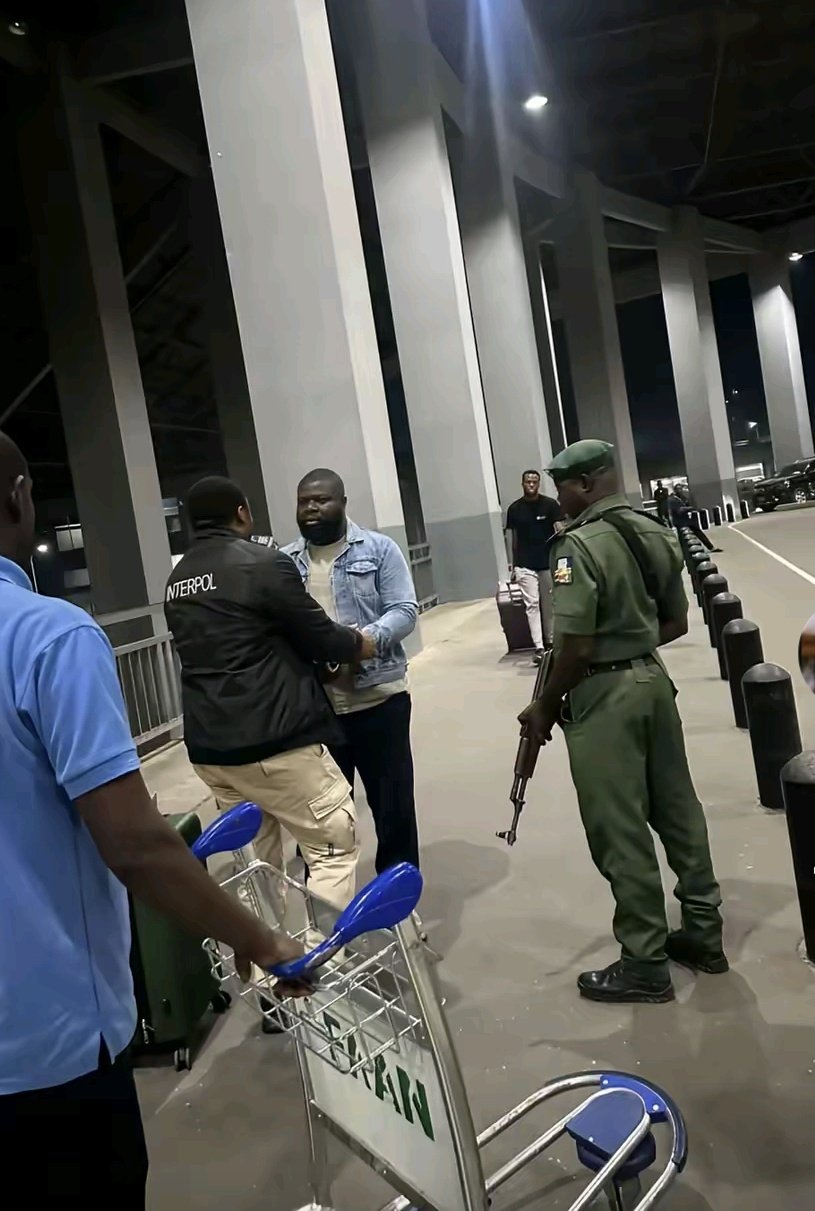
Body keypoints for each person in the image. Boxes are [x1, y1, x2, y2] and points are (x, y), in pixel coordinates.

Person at [0, 436, 307, 1208]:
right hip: (47, 1052)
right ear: (19, 495)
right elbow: (134, 842)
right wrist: (259, 939)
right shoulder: (46, 636)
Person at [520, 439, 726, 1005]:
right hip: (654, 683)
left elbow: (576, 646)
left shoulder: (576, 546)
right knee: (678, 812)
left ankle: (645, 963)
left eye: (561, 485)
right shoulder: (652, 531)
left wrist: (545, 704)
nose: (558, 496)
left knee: (620, 829)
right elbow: (677, 623)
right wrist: (631, 643)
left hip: (604, 698)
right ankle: (704, 936)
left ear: (585, 484)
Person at [166, 476, 378, 913]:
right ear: (241, 513)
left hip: (213, 750)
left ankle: (266, 953)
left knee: (256, 865)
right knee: (332, 846)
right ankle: (320, 956)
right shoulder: (262, 564)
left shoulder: (177, 580)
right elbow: (319, 635)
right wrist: (360, 644)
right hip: (275, 740)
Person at [283, 469, 420, 872]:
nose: (311, 508)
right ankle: (328, 897)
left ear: (342, 503)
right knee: (321, 816)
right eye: (304, 501)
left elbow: (404, 610)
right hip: (317, 711)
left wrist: (362, 642)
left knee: (393, 810)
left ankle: (398, 898)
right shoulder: (285, 563)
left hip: (379, 702)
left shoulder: (379, 549)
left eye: (321, 500)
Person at [505, 470, 561, 663]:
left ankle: (550, 641)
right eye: (528, 481)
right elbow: (512, 538)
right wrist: (512, 565)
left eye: (535, 481)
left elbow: (559, 529)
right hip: (524, 565)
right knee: (532, 604)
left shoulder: (550, 505)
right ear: (522, 483)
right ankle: (539, 647)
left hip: (547, 563)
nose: (531, 484)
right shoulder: (515, 509)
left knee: (549, 604)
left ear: (539, 484)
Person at [666, 486, 721, 553]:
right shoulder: (672, 500)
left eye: (681, 489)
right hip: (680, 521)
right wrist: (689, 508)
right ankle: (683, 553)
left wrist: (690, 508)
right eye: (678, 489)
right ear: (675, 490)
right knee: (683, 538)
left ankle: (711, 547)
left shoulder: (682, 498)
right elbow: (679, 511)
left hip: (687, 519)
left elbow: (687, 505)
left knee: (698, 532)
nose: (680, 490)